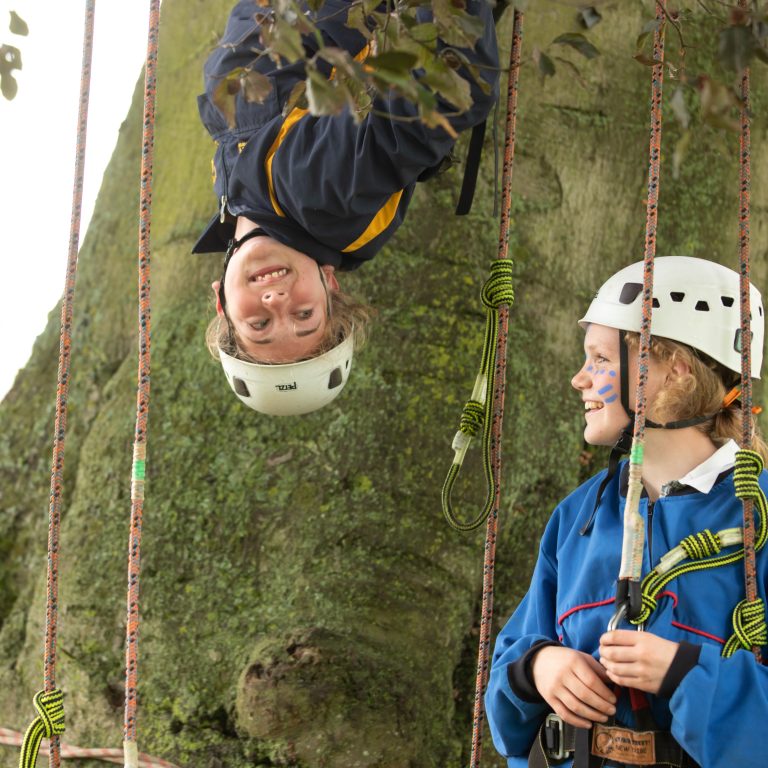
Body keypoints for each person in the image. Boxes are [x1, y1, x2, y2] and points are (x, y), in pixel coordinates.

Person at [485, 256, 768, 768]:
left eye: (599, 358)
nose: (579, 379)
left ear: (675, 373)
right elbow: (507, 678)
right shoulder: (578, 518)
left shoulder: (759, 518)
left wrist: (685, 673)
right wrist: (537, 668)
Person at [193, 0, 500, 415]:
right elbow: (444, 96)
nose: (277, 301)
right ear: (329, 285)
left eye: (259, 325)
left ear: (221, 302)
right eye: (305, 314)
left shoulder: (249, 200)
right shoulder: (322, 196)